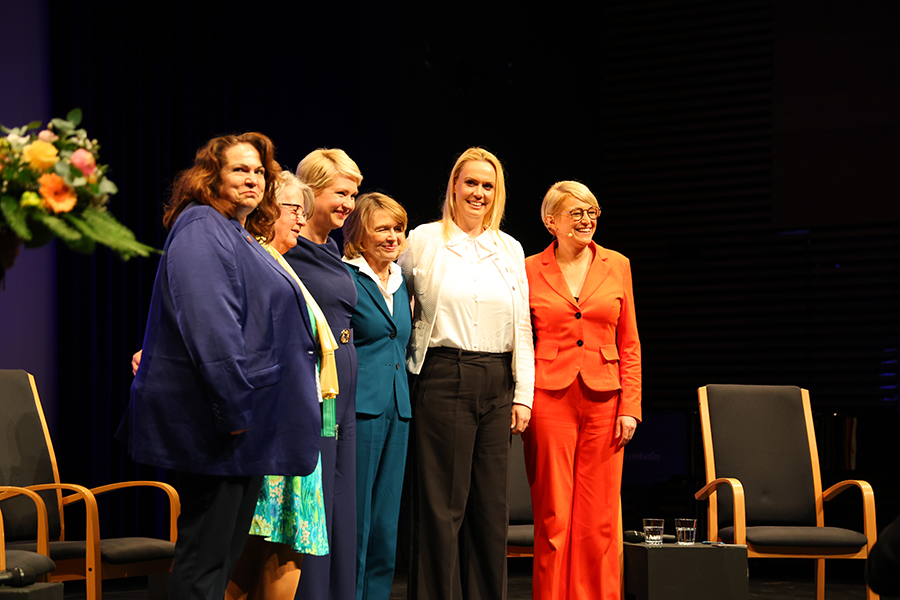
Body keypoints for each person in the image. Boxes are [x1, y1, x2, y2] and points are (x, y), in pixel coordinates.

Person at [120, 133, 321, 600]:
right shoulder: (200, 228)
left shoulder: (231, 229)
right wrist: (234, 413)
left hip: (242, 427)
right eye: (239, 170)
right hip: (220, 427)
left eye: (258, 172)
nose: (252, 179)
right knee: (204, 561)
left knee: (220, 557)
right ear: (211, 177)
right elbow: (210, 327)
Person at [400, 147, 534, 600]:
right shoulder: (423, 240)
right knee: (442, 509)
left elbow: (521, 325)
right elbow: (393, 298)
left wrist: (523, 394)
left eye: (488, 185)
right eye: (471, 182)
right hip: (443, 375)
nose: (478, 192)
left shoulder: (509, 247)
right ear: (454, 186)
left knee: (491, 510)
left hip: (498, 381)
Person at [522, 181, 641, 600]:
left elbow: (629, 343)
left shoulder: (618, 264)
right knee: (554, 514)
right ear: (550, 221)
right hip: (549, 397)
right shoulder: (528, 268)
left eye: (592, 211)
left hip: (606, 400)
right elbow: (520, 337)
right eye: (576, 213)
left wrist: (631, 406)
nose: (586, 220)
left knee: (600, 518)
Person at [226, 172, 333, 600]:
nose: (301, 220)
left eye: (304, 212)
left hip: (292, 424)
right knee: (257, 542)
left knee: (287, 540)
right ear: (267, 209)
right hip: (269, 427)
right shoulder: (253, 260)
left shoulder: (279, 264)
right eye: (293, 209)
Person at [283, 148, 362, 600]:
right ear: (308, 193)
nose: (348, 204)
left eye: (353, 194)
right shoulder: (287, 252)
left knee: (341, 507)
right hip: (315, 391)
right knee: (316, 510)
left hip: (345, 394)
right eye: (340, 193)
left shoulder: (332, 247)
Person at [341, 193, 411, 600]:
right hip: (360, 408)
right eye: (382, 228)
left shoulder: (402, 281)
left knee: (386, 522)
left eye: (397, 228)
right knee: (358, 520)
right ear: (360, 235)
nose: (392, 237)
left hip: (398, 409)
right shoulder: (346, 277)